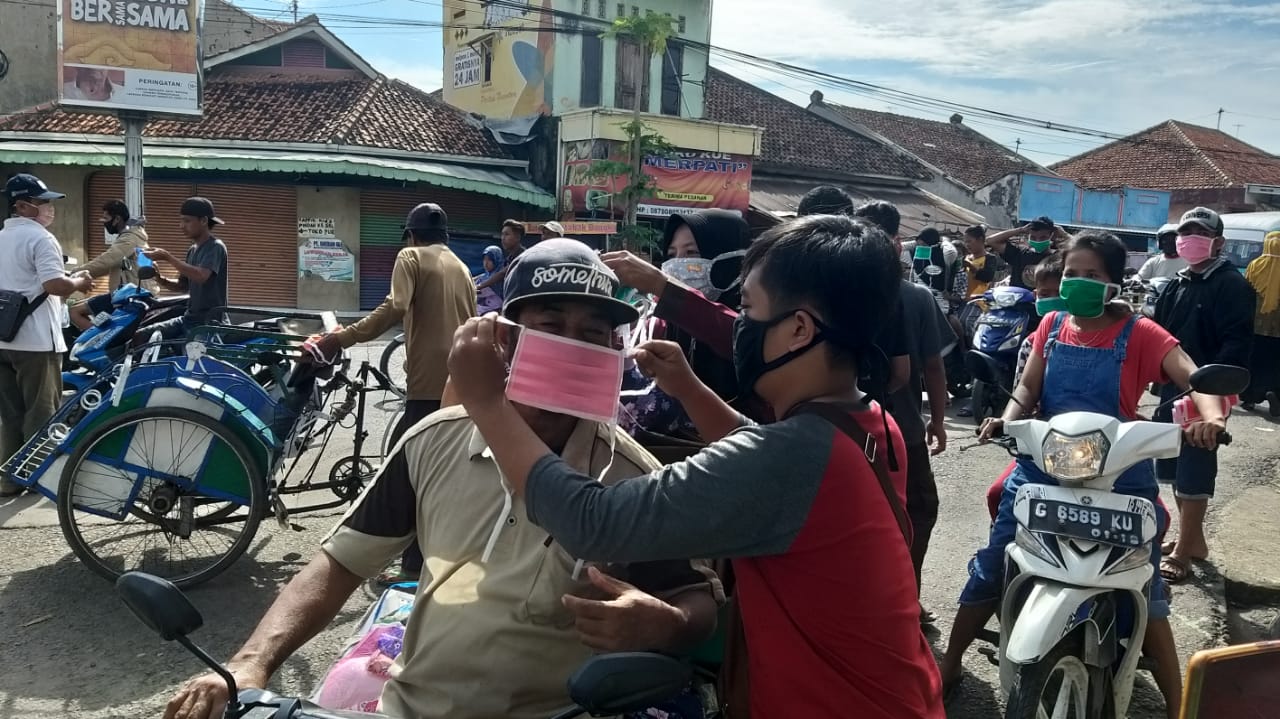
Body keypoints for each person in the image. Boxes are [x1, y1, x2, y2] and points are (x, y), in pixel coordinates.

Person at [164, 239, 720, 719]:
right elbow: (339, 563)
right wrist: (248, 664)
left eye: (591, 334)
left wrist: (666, 625)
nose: (571, 344)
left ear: (611, 350)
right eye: (550, 326)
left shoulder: (632, 476)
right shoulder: (433, 441)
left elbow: (697, 601)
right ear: (506, 339)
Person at [448, 214, 944, 718]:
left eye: (747, 310)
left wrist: (487, 403)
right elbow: (765, 458)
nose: (739, 327)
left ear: (798, 330)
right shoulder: (870, 423)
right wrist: (687, 387)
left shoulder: (789, 457)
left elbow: (593, 523)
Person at [939, 230, 1230, 718]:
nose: (1077, 282)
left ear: (1114, 282)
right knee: (994, 561)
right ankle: (949, 663)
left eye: (1091, 275)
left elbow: (1191, 375)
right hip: (1045, 469)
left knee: (1146, 585)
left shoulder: (1140, 332)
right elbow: (1026, 389)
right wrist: (1006, 421)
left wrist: (1213, 419)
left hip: (1119, 474)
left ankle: (1181, 703)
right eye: (1071, 273)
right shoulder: (1051, 324)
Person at [312, 203, 476, 584]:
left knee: (404, 475)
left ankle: (408, 566)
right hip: (459, 384)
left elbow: (396, 305)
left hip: (426, 385)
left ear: (413, 235)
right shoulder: (463, 268)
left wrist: (342, 338)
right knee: (434, 474)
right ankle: (426, 558)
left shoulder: (410, 256)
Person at [1152, 207, 1256, 584]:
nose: (1189, 238)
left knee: (1195, 466)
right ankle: (1191, 540)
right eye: (1186, 231)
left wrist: (1217, 392)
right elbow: (1158, 334)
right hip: (1171, 389)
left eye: (1199, 232)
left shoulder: (1232, 285)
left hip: (1209, 390)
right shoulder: (1177, 283)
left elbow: (1236, 343)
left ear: (1218, 242)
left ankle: (1184, 551)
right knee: (1173, 468)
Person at [0, 174, 93, 496]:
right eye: (43, 203)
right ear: (22, 206)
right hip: (35, 341)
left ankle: (8, 478)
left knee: (11, 414)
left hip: (3, 337)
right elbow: (55, 286)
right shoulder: (40, 239)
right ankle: (35, 475)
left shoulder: (2, 237)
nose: (49, 209)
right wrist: (79, 282)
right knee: (41, 410)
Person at [142, 197, 229, 340]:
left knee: (191, 360)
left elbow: (201, 276)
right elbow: (182, 286)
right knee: (141, 337)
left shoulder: (215, 247)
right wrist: (159, 278)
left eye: (187, 221)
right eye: (181, 220)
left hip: (209, 324)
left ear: (204, 221)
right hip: (189, 319)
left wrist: (167, 257)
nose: (181, 225)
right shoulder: (192, 250)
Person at [80, 199, 156, 292]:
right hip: (127, 292)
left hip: (134, 296)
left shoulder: (129, 238)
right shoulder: (129, 235)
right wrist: (85, 273)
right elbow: (107, 266)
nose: (103, 222)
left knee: (80, 307)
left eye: (106, 218)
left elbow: (107, 260)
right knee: (86, 304)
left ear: (117, 219)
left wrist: (76, 272)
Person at [1242, 231, 1280, 415]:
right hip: (1278, 331)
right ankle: (1274, 392)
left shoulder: (1255, 265)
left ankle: (1250, 397)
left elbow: (1245, 293)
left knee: (1254, 361)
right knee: (1276, 363)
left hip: (1255, 326)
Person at [984, 215, 1069, 290]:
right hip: (1017, 303)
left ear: (1051, 236)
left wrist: (1064, 234)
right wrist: (1020, 230)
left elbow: (1080, 250)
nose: (1037, 241)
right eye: (1033, 237)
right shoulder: (1019, 253)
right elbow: (991, 240)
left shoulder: (1057, 258)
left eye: (1043, 237)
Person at [474, 219, 526, 293]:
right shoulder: (509, 258)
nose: (503, 238)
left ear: (517, 237)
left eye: (507, 234)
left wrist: (479, 286)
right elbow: (492, 274)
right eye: (502, 234)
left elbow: (502, 273)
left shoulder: (522, 256)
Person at [474, 244, 505, 314]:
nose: (486, 263)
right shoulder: (485, 275)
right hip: (484, 307)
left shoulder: (498, 277)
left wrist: (474, 288)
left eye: (490, 260)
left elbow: (481, 290)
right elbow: (473, 280)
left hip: (495, 310)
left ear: (496, 260)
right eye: (484, 259)